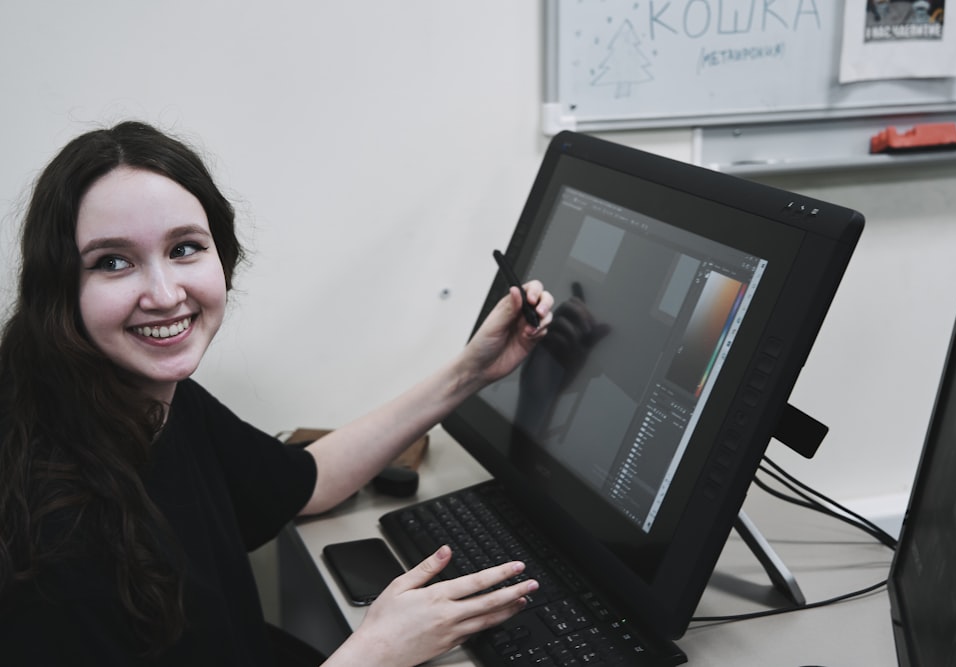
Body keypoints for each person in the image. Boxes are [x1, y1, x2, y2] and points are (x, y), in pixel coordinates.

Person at [0, 121, 554, 666]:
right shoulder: (50, 524)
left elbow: (304, 483)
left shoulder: (150, 395)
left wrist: (471, 372)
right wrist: (377, 651)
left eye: (185, 248)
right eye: (113, 262)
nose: (165, 294)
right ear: (60, 287)